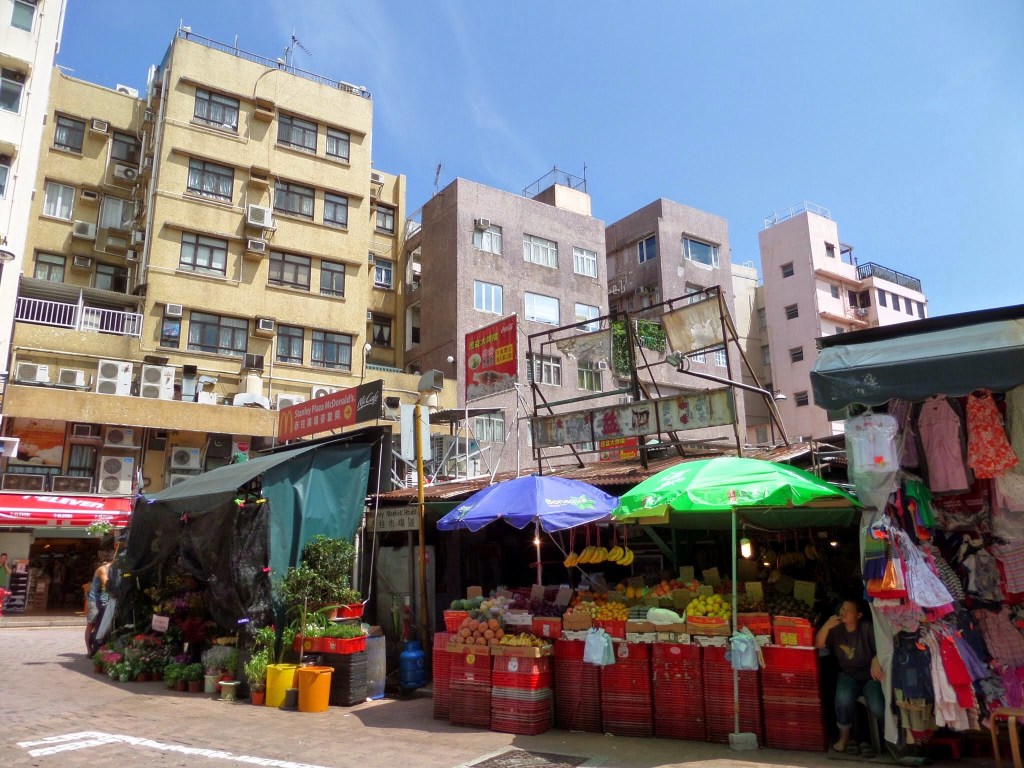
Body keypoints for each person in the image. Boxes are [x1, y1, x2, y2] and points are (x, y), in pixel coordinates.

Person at [815, 598, 884, 757]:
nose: (843, 612)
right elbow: (818, 644)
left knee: (877, 707)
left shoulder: (867, 629)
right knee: (843, 700)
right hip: (849, 674)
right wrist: (827, 625)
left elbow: (883, 649)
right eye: (842, 609)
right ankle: (844, 737)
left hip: (870, 676)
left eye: (848, 610)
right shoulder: (837, 630)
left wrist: (875, 659)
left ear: (859, 615)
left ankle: (884, 738)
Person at [85, 551, 112, 654]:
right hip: (94, 600)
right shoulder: (103, 569)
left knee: (100, 624)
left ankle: (97, 647)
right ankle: (89, 650)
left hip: (104, 601)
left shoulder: (112, 570)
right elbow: (106, 584)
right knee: (91, 624)